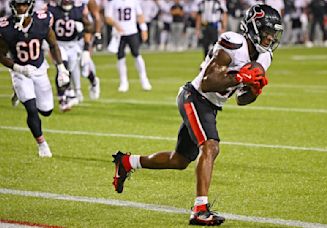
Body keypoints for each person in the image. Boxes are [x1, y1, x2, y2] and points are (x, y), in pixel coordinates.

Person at [111, 4, 283, 226]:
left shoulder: (264, 58)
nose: (270, 38)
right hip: (194, 97)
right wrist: (240, 77)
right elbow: (208, 82)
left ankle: (127, 162)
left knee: (180, 160)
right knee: (210, 146)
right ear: (253, 27)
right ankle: (200, 209)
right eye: (267, 31)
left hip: (210, 106)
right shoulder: (234, 43)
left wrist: (254, 89)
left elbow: (241, 99)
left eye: (273, 33)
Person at [0, 0, 70, 157]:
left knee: (46, 111)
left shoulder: (41, 21)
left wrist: (61, 68)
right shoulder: (6, 26)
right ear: (12, 6)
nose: (21, 8)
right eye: (18, 5)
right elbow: (1, 54)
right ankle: (42, 144)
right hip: (19, 72)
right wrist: (18, 68)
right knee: (31, 109)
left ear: (30, 5)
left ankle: (19, 92)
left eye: (24, 5)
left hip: (39, 69)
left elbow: (53, 44)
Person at [47, 0, 93, 111]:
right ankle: (63, 98)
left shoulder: (79, 9)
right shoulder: (52, 10)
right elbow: (46, 28)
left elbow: (88, 28)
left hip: (74, 45)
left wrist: (86, 49)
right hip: (59, 45)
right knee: (62, 69)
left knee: (73, 70)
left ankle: (73, 91)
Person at [105, 0, 152, 93]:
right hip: (119, 33)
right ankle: (123, 82)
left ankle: (144, 80)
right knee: (120, 57)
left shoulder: (133, 2)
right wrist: (116, 25)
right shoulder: (113, 3)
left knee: (136, 54)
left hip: (132, 31)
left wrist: (144, 29)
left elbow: (140, 15)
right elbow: (108, 18)